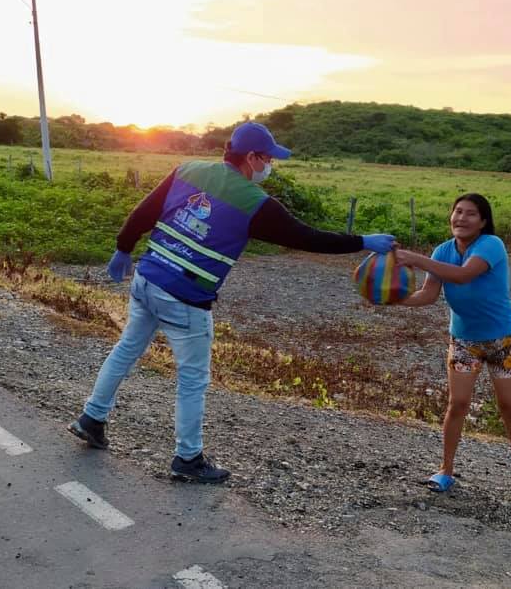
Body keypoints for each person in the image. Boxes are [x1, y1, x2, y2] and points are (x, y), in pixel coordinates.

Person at [67, 122, 395, 483]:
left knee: (127, 348)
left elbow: (144, 212)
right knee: (192, 378)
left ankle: (92, 418)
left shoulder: (187, 170)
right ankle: (188, 458)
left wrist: (123, 248)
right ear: (251, 157)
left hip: (148, 278)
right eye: (268, 158)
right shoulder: (256, 203)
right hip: (185, 296)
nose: (270, 165)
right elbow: (307, 238)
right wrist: (362, 241)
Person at [395, 193, 511, 506]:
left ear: (483, 221)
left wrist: (416, 259)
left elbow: (463, 275)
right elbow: (428, 295)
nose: (461, 218)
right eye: (457, 211)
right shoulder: (442, 251)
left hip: (502, 341)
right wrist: (394, 299)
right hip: (464, 341)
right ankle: (446, 470)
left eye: (470, 213)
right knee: (457, 403)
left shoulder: (491, 245)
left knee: (509, 407)